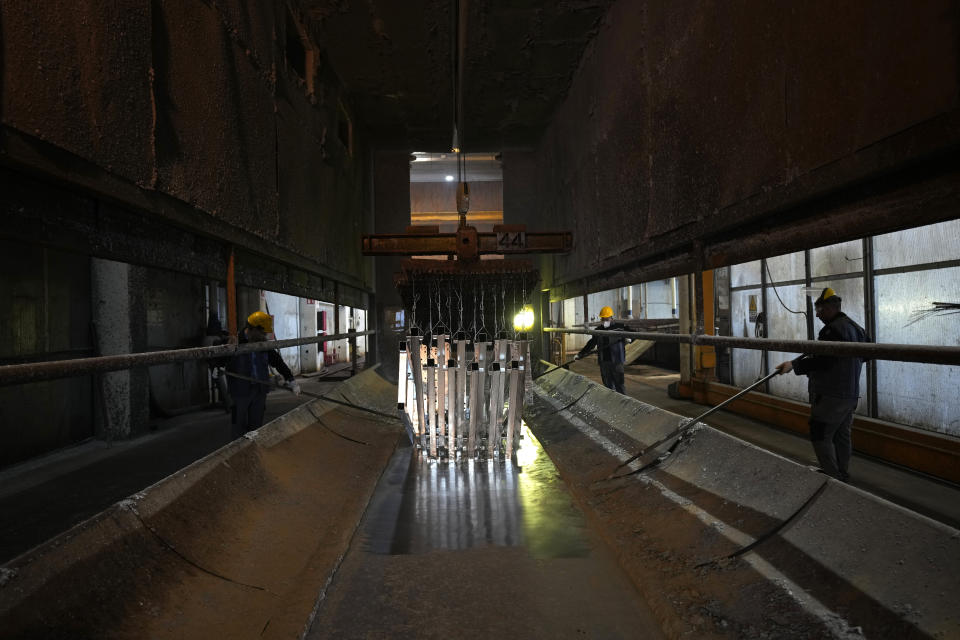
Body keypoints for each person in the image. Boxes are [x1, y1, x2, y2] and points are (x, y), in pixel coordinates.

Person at [776, 288, 868, 482]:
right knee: (841, 435)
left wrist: (793, 365)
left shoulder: (831, 330)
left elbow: (824, 361)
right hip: (850, 394)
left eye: (820, 310)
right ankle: (841, 473)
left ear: (832, 308)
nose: (817, 314)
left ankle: (832, 477)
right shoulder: (856, 328)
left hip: (831, 394)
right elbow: (867, 354)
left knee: (820, 433)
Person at [226, 310, 301, 438]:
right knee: (238, 426)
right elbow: (217, 354)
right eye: (263, 332)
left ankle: (254, 451)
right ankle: (238, 453)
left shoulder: (263, 345)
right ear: (253, 329)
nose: (265, 336)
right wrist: (216, 366)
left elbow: (278, 362)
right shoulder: (235, 343)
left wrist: (291, 380)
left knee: (256, 427)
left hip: (259, 391)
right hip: (240, 392)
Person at [574, 306, 631, 394]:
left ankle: (624, 405)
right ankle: (611, 403)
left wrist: (630, 339)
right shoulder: (598, 330)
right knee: (608, 386)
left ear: (611, 317)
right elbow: (591, 343)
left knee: (619, 385)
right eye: (603, 319)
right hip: (604, 362)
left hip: (617, 361)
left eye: (607, 318)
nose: (605, 321)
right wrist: (580, 354)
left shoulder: (620, 327)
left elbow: (635, 333)